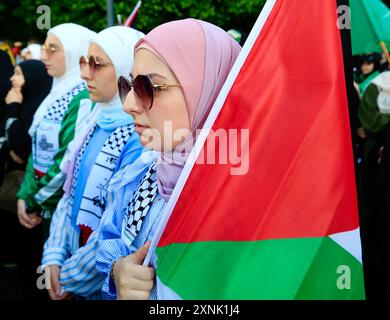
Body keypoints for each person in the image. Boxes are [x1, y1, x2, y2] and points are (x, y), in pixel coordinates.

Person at [95, 18, 241, 300]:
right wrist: (118, 270)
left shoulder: (252, 202)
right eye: (129, 85)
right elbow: (108, 240)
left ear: (211, 89)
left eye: (150, 87)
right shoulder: (142, 173)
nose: (129, 105)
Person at [41, 26, 148, 300]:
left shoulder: (139, 137)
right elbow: (69, 192)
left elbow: (114, 227)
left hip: (99, 283)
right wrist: (54, 253)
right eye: (83, 63)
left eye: (97, 65)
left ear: (126, 71)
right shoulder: (94, 119)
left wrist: (69, 277)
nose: (85, 73)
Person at [16, 23, 96, 231]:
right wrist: (25, 194)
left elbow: (66, 161)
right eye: (44, 48)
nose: (44, 56)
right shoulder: (56, 91)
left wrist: (34, 201)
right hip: (42, 203)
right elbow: (37, 149)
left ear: (75, 52)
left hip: (61, 211)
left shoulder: (84, 96)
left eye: (53, 49)